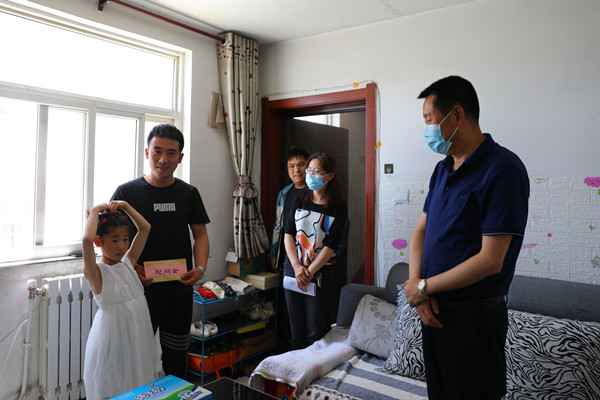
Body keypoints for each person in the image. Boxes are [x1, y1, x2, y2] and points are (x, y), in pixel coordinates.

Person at [403, 76, 529, 400]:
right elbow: (421, 231)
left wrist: (424, 287)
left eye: (429, 119)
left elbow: (490, 261)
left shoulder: (502, 169)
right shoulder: (442, 170)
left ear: (456, 115)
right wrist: (417, 285)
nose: (427, 129)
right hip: (433, 309)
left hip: (473, 317)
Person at [111, 124, 210, 379]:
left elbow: (200, 235)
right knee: (133, 360)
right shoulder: (126, 193)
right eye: (157, 151)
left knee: (176, 361)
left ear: (180, 157)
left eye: (171, 153)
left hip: (179, 291)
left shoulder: (188, 193)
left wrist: (200, 268)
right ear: (147, 153)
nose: (163, 159)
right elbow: (110, 241)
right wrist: (130, 267)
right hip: (137, 292)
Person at [82, 201, 164, 399]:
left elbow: (145, 228)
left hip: (139, 333)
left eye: (125, 239)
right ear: (99, 242)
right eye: (114, 240)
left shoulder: (128, 263)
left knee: (139, 378)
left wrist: (126, 207)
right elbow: (86, 240)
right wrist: (95, 211)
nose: (121, 246)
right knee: (115, 381)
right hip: (114, 338)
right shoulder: (96, 273)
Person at [283, 152, 349, 350]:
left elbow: (331, 246)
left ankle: (315, 368)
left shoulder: (338, 207)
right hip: (293, 270)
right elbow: (288, 234)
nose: (310, 175)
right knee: (295, 331)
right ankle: (295, 368)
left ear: (329, 176)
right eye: (309, 170)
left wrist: (308, 272)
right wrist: (297, 267)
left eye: (316, 171)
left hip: (319, 274)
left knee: (315, 331)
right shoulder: (299, 199)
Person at [268, 148, 310, 271]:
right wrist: (274, 253)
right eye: (291, 166)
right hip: (287, 255)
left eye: (301, 165)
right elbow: (278, 225)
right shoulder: (283, 194)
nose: (296, 170)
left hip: (310, 255)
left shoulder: (316, 193)